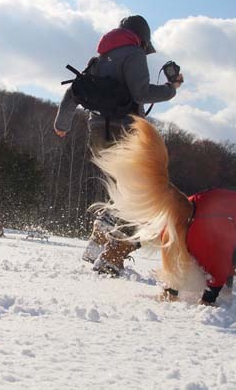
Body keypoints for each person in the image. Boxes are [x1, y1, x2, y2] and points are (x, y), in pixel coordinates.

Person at [53, 15, 184, 276]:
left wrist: (62, 124)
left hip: (98, 132)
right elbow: (141, 94)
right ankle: (113, 256)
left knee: (120, 190)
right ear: (142, 39)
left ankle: (96, 244)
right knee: (142, 198)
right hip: (124, 131)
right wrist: (171, 89)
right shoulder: (134, 54)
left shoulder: (99, 58)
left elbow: (74, 92)